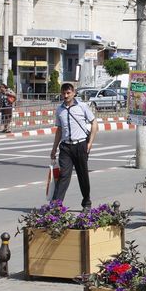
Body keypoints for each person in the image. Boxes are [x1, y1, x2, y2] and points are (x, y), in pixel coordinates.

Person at [49, 83, 98, 211]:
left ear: (74, 93)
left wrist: (90, 143)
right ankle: (56, 205)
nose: (66, 95)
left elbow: (94, 123)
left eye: (68, 93)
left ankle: (86, 203)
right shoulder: (59, 110)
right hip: (65, 147)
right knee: (64, 175)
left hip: (80, 145)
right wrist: (54, 149)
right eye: (64, 93)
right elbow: (59, 130)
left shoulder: (82, 107)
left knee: (83, 175)